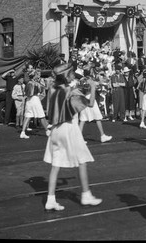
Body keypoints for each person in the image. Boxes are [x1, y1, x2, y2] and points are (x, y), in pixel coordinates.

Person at [43, 63, 102, 211]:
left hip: (55, 130)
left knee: (55, 165)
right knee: (82, 160)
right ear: (67, 76)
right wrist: (93, 87)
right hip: (69, 128)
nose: (73, 75)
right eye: (71, 73)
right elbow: (91, 103)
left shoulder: (52, 89)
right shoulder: (72, 91)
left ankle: (50, 199)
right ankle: (86, 194)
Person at [20, 70, 49, 139]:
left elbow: (26, 93)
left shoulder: (28, 83)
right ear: (34, 75)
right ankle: (47, 131)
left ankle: (23, 132)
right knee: (41, 115)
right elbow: (45, 88)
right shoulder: (35, 83)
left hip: (28, 100)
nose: (39, 76)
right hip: (35, 99)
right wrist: (46, 82)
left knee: (28, 116)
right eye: (37, 74)